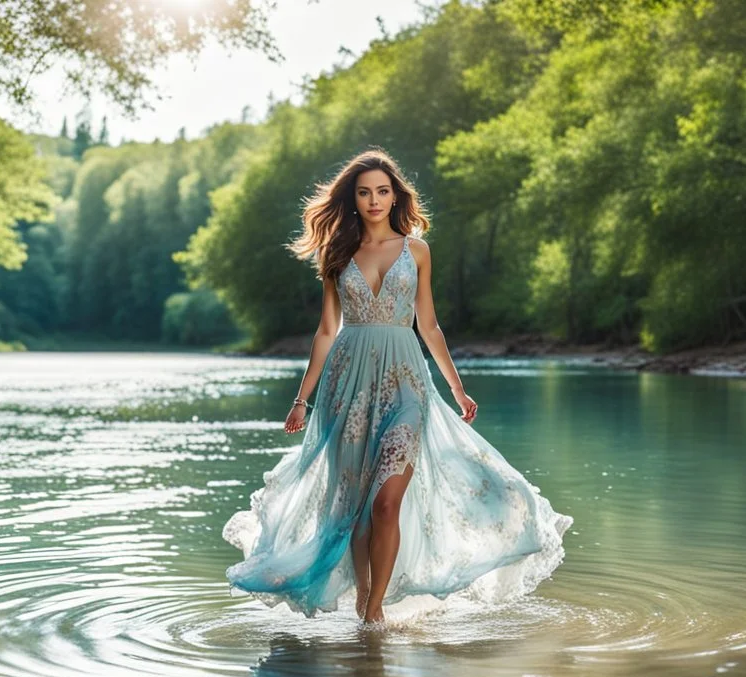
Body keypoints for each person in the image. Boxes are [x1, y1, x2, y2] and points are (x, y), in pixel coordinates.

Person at [223, 148, 574, 625]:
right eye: (365, 192)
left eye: (382, 191)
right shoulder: (336, 253)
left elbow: (429, 327)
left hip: (407, 385)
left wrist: (457, 389)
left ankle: (374, 610)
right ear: (353, 199)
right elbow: (327, 331)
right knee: (354, 511)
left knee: (387, 502)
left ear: (395, 196)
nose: (374, 200)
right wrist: (301, 399)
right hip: (346, 386)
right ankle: (365, 603)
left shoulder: (417, 251)